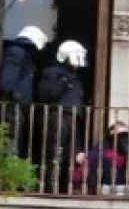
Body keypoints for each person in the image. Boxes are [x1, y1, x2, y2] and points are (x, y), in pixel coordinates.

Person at [37, 40, 90, 192]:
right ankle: (50, 185)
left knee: (72, 155)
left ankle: (65, 186)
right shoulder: (52, 72)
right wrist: (63, 81)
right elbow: (46, 94)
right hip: (58, 116)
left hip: (73, 119)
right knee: (56, 152)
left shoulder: (76, 78)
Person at [0, 25, 47, 162]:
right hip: (11, 106)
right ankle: (8, 178)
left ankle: (10, 175)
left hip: (14, 106)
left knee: (14, 142)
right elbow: (7, 78)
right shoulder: (17, 52)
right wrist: (14, 95)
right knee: (10, 143)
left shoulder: (23, 55)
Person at [73, 120, 129, 194]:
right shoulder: (102, 146)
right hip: (105, 189)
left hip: (120, 189)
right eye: (121, 135)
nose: (124, 139)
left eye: (126, 135)